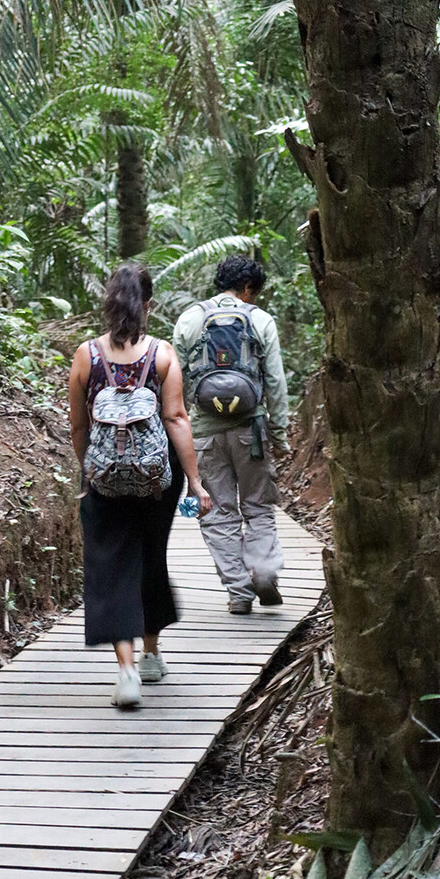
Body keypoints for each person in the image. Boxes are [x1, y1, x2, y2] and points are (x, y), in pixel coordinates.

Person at [69, 263, 211, 709]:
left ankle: (126, 671)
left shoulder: (85, 355)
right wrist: (195, 482)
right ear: (147, 305)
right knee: (151, 556)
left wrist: (91, 469)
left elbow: (78, 424)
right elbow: (176, 418)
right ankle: (151, 653)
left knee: (111, 566)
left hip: (104, 479)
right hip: (156, 479)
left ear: (109, 303)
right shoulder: (162, 355)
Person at [172, 254, 291, 614]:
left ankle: (239, 592)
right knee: (257, 506)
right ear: (248, 288)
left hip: (204, 433)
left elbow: (173, 382)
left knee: (218, 512)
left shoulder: (189, 319)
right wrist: (279, 434)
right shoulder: (260, 320)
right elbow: (275, 382)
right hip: (250, 431)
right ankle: (265, 572)